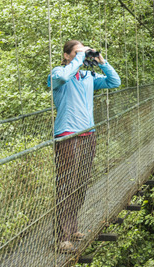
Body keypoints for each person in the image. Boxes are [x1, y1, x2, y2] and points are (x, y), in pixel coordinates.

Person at [48, 40, 121, 253]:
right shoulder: (58, 73)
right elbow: (62, 77)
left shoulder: (88, 77)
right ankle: (62, 237)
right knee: (66, 184)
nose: (82, 55)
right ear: (67, 55)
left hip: (89, 134)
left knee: (81, 183)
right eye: (77, 52)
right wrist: (80, 56)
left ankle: (72, 229)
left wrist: (101, 60)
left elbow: (114, 81)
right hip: (67, 134)